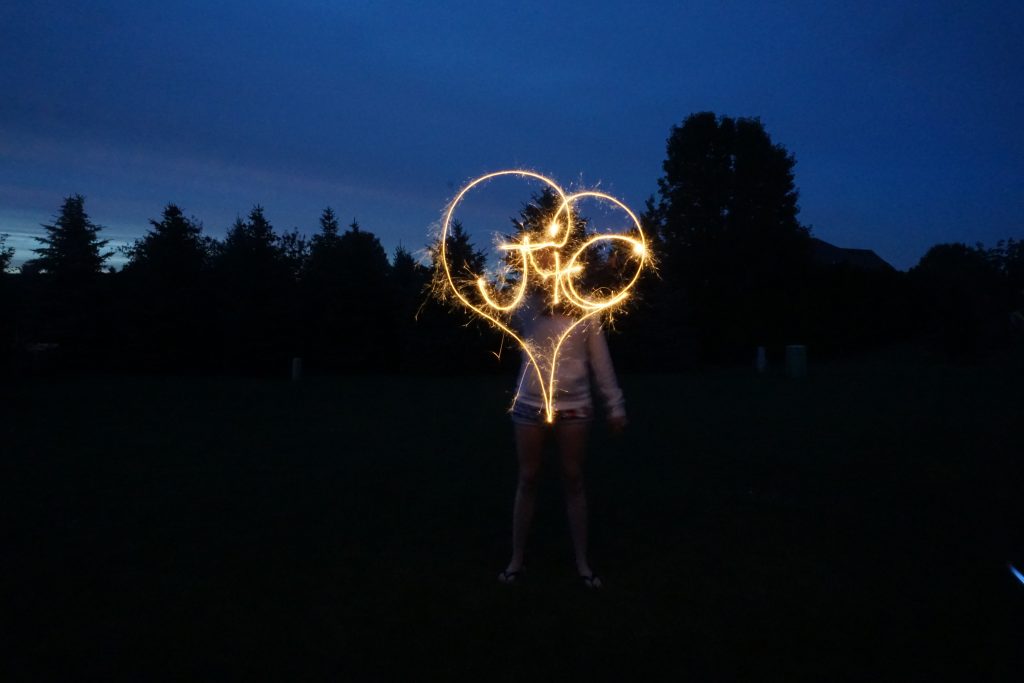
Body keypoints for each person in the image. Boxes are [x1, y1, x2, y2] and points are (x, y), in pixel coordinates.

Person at [498, 289, 627, 589]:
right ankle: (516, 559)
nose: (546, 260)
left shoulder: (585, 306)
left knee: (573, 478)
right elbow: (494, 303)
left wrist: (615, 403)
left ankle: (582, 562)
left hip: (575, 406)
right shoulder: (525, 303)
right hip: (530, 404)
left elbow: (600, 358)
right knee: (528, 478)